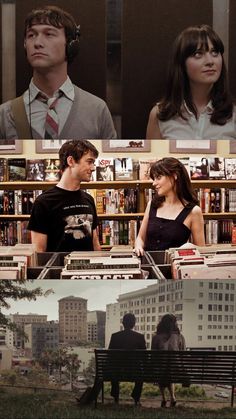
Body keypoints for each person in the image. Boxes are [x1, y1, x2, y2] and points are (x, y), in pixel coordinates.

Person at [0, 5, 116, 139]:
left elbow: (111, 159)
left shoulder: (97, 110)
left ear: (70, 45)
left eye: (49, 34)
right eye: (31, 35)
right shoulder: (5, 115)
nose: (37, 43)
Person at [146, 25, 236, 140]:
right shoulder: (160, 114)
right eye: (198, 54)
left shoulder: (233, 114)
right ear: (181, 63)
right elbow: (153, 158)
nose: (210, 61)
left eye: (214, 52)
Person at [28, 140, 101, 252]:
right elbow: (39, 252)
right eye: (89, 162)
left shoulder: (89, 199)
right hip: (58, 269)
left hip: (88, 268)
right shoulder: (43, 202)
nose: (93, 168)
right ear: (71, 161)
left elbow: (95, 243)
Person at [135, 157, 205, 255]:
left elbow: (202, 251)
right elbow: (140, 238)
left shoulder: (193, 211)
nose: (154, 183)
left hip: (175, 268)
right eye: (153, 179)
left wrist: (189, 247)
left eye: (158, 178)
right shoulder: (152, 205)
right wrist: (138, 246)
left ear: (174, 175)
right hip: (147, 266)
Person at [108, 313, 146, 406]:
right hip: (134, 371)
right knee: (140, 375)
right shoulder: (140, 337)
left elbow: (110, 355)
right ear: (134, 324)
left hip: (118, 371)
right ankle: (136, 398)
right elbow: (144, 356)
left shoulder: (115, 336)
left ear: (123, 323)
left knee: (114, 369)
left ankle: (116, 397)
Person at [151, 314, 186, 408]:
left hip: (160, 369)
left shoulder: (156, 337)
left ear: (161, 324)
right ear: (175, 324)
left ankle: (163, 398)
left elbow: (153, 355)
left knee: (163, 369)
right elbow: (183, 354)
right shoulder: (180, 337)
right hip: (176, 370)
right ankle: (173, 397)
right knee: (169, 369)